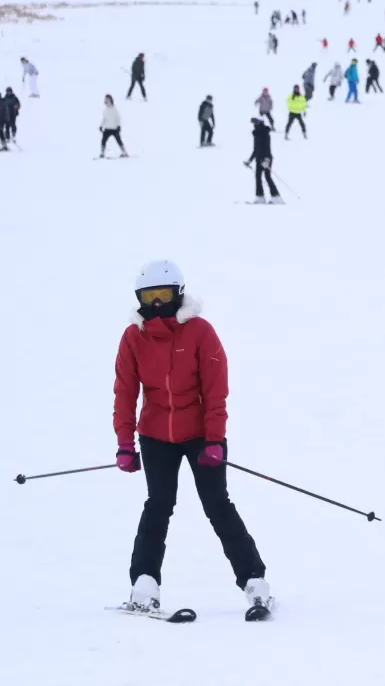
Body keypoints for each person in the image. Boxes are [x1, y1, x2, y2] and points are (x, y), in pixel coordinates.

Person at [113, 261, 272, 615]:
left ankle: (255, 583)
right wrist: (125, 442)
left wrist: (214, 440)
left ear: (178, 293)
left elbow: (216, 392)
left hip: (201, 435)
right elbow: (125, 392)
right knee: (158, 505)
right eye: (149, 297)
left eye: (163, 295)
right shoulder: (133, 338)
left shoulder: (200, 332)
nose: (156, 304)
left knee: (217, 505)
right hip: (155, 435)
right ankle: (144, 585)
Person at [245, 117, 281, 203]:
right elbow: (256, 149)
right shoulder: (257, 133)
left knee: (267, 177)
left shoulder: (264, 133)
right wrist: (249, 160)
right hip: (259, 159)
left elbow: (266, 147)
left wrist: (266, 159)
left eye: (255, 123)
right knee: (258, 177)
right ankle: (260, 196)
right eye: (253, 123)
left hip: (265, 158)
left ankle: (276, 198)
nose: (254, 125)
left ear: (259, 123)